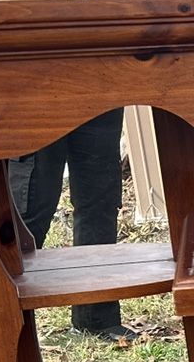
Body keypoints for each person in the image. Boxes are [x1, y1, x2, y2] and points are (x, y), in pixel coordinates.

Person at [8, 106, 131, 339]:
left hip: (99, 85)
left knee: (100, 200)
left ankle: (96, 319)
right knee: (30, 209)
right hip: (33, 93)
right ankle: (4, 319)